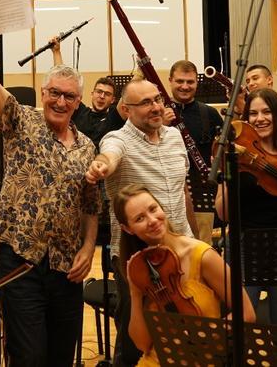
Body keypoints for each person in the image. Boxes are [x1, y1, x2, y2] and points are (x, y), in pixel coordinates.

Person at [0, 0, 101, 366]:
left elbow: (90, 205)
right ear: (43, 92)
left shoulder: (87, 146)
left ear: (78, 102)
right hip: (20, 261)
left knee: (60, 358)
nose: (60, 101)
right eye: (54, 93)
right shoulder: (21, 121)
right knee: (28, 356)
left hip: (66, 268)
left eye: (69, 96)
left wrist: (88, 248)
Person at [85, 79, 194, 367]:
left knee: (187, 335)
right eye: (145, 102)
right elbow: (110, 155)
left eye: (157, 99)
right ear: (125, 109)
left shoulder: (174, 137)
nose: (156, 106)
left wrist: (195, 239)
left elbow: (183, 193)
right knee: (137, 344)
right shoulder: (117, 139)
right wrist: (102, 164)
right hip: (137, 259)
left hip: (182, 249)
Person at [115, 185, 254, 367]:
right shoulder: (139, 267)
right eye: (140, 218)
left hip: (203, 359)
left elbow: (247, 313)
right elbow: (142, 344)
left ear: (161, 207)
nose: (152, 220)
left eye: (153, 209)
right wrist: (135, 293)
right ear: (128, 229)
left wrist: (207, 334)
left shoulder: (202, 255)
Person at [215, 88, 277, 325]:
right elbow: (223, 214)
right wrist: (229, 173)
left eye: (267, 112)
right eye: (253, 113)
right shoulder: (233, 154)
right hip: (244, 242)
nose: (260, 119)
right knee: (241, 322)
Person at [166, 60, 222, 243]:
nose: (185, 86)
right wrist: (161, 125)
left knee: (201, 251)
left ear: (197, 83)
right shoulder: (157, 114)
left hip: (201, 194)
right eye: (180, 81)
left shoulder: (210, 114)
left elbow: (225, 146)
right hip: (167, 193)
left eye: (190, 82)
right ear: (170, 81)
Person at [243, 64, 277, 139]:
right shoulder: (246, 106)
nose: (250, 84)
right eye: (248, 81)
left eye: (255, 78)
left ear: (269, 80)